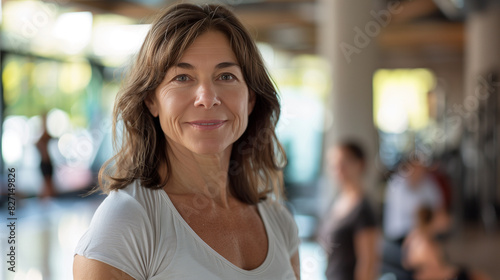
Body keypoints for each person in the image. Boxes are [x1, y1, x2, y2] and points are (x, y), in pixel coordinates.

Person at [73, 4, 300, 280]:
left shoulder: (279, 222)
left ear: (250, 99)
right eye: (183, 77)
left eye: (226, 76)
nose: (207, 97)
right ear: (151, 99)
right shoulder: (124, 225)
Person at [318, 141, 378, 280]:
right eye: (334, 165)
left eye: (343, 163)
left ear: (360, 164)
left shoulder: (364, 209)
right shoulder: (335, 201)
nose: (338, 169)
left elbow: (368, 263)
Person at [403, 207, 491, 280]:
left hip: (430, 273)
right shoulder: (427, 246)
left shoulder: (414, 236)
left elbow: (406, 262)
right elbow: (440, 272)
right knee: (480, 276)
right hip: (442, 276)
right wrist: (458, 271)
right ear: (433, 221)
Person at [383, 157, 446, 243]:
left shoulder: (429, 184)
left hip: (422, 232)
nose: (418, 172)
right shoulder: (396, 185)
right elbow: (417, 214)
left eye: (421, 169)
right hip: (399, 235)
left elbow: (440, 210)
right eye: (415, 169)